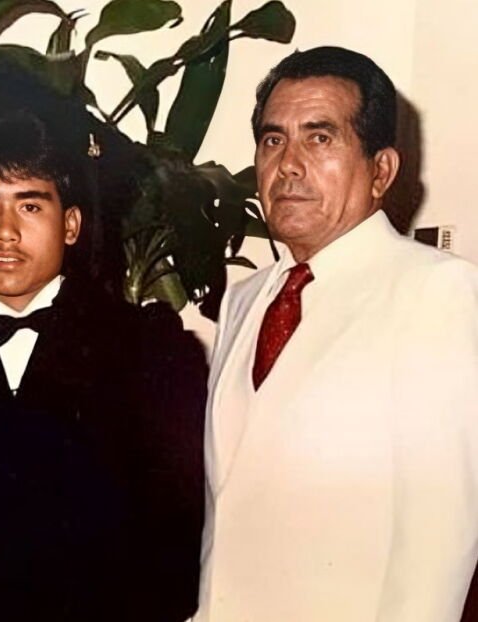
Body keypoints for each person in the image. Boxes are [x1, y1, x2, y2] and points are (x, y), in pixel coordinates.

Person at [0, 101, 208, 620]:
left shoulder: (150, 352)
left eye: (30, 206)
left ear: (70, 224)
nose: (5, 232)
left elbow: (176, 553)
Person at [196, 46, 478, 621]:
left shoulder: (440, 294)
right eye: (273, 140)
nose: (289, 164)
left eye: (320, 138)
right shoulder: (245, 300)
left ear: (382, 171)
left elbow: (440, 541)